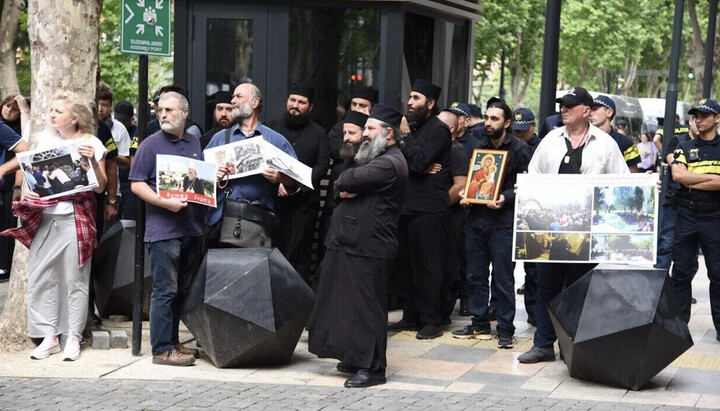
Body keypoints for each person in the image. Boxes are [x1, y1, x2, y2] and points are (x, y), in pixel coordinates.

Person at [518, 87, 629, 364]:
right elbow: (533, 176)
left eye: (570, 105)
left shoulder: (605, 144)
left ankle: (576, 348)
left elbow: (622, 182)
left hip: (588, 234)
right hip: (551, 232)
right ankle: (543, 344)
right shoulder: (550, 141)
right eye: (562, 105)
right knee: (547, 287)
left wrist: (646, 188)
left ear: (586, 111)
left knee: (581, 289)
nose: (563, 110)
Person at [1, 90, 107, 361]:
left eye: (58, 111)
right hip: (44, 217)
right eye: (51, 110)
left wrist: (92, 160)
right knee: (40, 276)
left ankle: (73, 336)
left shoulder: (91, 142)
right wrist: (28, 193)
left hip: (75, 217)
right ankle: (49, 336)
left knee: (75, 279)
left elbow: (101, 186)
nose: (51, 115)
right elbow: (31, 180)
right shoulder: (45, 140)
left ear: (74, 118)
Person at [308, 104, 408, 388]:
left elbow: (347, 178)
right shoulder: (378, 157)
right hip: (356, 244)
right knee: (348, 304)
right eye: (365, 128)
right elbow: (347, 181)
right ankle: (354, 356)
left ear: (388, 134)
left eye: (370, 129)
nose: (365, 134)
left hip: (370, 247)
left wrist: (344, 184)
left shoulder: (389, 162)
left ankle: (374, 368)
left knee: (368, 308)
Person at [129, 91, 205, 366]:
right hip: (163, 231)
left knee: (182, 291)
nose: (162, 114)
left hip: (191, 229)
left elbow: (197, 182)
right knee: (165, 291)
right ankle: (161, 350)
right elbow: (136, 184)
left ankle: (173, 343)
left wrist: (212, 179)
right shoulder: (150, 145)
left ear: (184, 113)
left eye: (169, 110)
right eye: (160, 110)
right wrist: (164, 202)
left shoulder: (195, 141)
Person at [452, 101, 531, 349]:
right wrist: (467, 196)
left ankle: (505, 328)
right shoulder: (479, 148)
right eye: (486, 118)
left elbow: (525, 188)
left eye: (494, 119)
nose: (488, 123)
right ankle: (479, 322)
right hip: (476, 221)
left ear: (507, 123)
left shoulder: (519, 149)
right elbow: (475, 182)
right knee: (475, 275)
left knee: (503, 278)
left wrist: (505, 198)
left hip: (503, 223)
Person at [389, 79, 451, 340]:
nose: (410, 102)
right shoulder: (415, 127)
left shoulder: (439, 130)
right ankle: (411, 316)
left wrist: (406, 138)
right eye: (410, 97)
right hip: (406, 207)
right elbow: (407, 162)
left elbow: (419, 162)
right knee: (407, 266)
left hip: (429, 210)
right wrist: (417, 161)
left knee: (428, 266)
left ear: (431, 103)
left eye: (416, 98)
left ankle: (430, 320)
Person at [204, 83, 298, 247]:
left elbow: (296, 181)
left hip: (257, 223)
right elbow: (198, 182)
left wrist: (280, 177)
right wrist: (212, 175)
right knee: (220, 272)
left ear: (255, 103)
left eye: (238, 96)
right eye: (233, 96)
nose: (233, 100)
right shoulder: (220, 138)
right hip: (220, 221)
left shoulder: (274, 140)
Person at [268, 82, 330, 283]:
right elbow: (263, 158)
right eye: (292, 100)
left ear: (310, 107)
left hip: (304, 207)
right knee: (272, 254)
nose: (295, 105)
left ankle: (299, 310)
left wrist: (296, 188)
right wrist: (277, 183)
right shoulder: (273, 128)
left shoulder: (319, 134)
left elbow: (321, 167)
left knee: (300, 257)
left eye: (301, 102)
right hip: (274, 202)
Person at [670, 98, 720, 343]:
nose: (698, 120)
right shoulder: (684, 146)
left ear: (717, 118)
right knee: (680, 271)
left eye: (704, 115)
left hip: (715, 216)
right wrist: (710, 178)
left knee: (718, 273)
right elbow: (677, 174)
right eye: (696, 116)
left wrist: (693, 178)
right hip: (686, 214)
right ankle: (679, 325)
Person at [320, 87, 376, 266]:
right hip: (337, 220)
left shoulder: (375, 158)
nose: (346, 138)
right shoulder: (345, 146)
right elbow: (337, 150)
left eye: (363, 105)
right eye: (354, 104)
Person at [436, 109, 470, 319]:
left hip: (449, 216)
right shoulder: (436, 148)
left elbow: (461, 185)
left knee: (448, 265)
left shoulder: (456, 150)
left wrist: (438, 204)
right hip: (434, 216)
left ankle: (443, 311)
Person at [511, 107, 541, 326]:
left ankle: (535, 311)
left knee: (534, 266)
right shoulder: (509, 146)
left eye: (523, 130)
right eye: (515, 131)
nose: (519, 135)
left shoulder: (542, 147)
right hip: (510, 208)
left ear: (533, 126)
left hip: (534, 214)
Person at [0, 94, 29, 282]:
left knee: (7, 226)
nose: (9, 110)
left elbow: (27, 149)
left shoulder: (8, 130)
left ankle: (4, 266)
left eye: (14, 108)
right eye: (7, 106)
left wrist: (17, 186)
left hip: (8, 186)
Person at [589, 95, 641, 172]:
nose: (590, 113)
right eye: (590, 109)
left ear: (609, 112)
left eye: (595, 109)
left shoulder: (626, 143)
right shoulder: (582, 139)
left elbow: (632, 177)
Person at [114, 100, 139, 220]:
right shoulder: (112, 130)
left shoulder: (137, 133)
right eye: (119, 120)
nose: (122, 123)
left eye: (125, 120)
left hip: (130, 183)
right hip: (115, 182)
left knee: (129, 220)